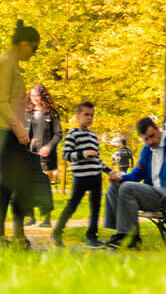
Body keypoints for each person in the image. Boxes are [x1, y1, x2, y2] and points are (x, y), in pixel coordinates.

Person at [0, 20, 41, 246]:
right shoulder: (5, 63)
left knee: (19, 184)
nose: (34, 53)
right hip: (2, 132)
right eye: (34, 47)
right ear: (23, 44)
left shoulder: (12, 64)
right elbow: (1, 101)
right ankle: (1, 235)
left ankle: (14, 235)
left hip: (9, 131)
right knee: (11, 184)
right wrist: (19, 128)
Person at [99, 116, 166, 250]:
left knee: (127, 188)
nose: (150, 141)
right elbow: (137, 174)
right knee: (114, 188)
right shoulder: (147, 150)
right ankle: (121, 234)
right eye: (146, 139)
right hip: (154, 194)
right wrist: (120, 178)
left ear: (157, 129)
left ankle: (131, 238)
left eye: (152, 136)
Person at [53, 101, 111, 247]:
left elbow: (97, 159)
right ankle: (56, 232)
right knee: (72, 205)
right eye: (86, 114)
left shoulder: (93, 136)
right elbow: (66, 155)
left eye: (92, 115)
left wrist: (109, 171)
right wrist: (84, 153)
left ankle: (92, 237)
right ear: (78, 116)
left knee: (95, 208)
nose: (89, 118)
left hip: (95, 177)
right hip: (81, 177)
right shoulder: (73, 134)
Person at [25, 84, 61, 227]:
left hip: (46, 155)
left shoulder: (52, 113)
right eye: (32, 96)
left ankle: (46, 218)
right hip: (29, 154)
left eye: (37, 96)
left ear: (43, 96)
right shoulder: (27, 113)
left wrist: (49, 147)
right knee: (27, 185)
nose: (34, 99)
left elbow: (58, 134)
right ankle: (30, 216)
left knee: (44, 186)